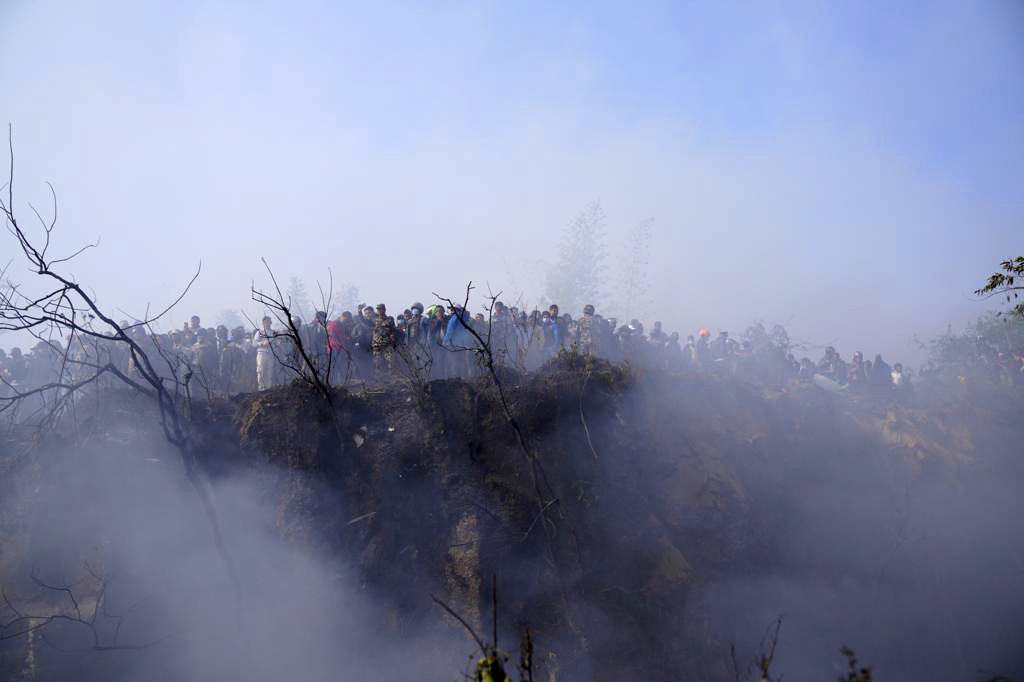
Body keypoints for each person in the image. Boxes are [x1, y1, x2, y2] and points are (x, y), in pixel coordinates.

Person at [253, 316, 276, 390]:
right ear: (263, 323)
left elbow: (276, 343)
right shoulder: (260, 332)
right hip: (262, 353)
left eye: (269, 322)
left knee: (270, 372)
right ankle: (261, 388)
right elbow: (254, 343)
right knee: (261, 371)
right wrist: (262, 344)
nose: (268, 323)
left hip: (271, 354)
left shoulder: (273, 332)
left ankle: (268, 388)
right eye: (266, 322)